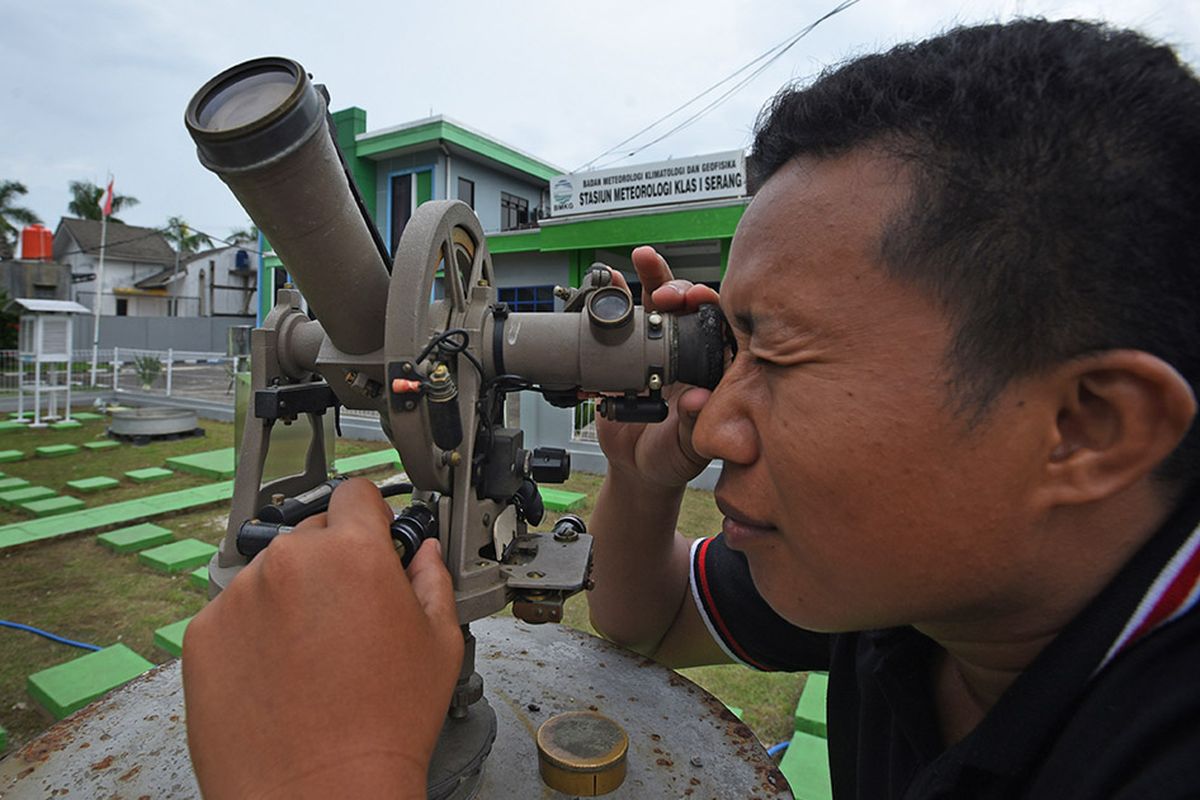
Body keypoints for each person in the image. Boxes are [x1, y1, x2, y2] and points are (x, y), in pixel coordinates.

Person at [182, 17, 1200, 799]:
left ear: (1088, 426)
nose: (714, 422)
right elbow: (648, 616)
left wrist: (334, 773)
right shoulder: (924, 586)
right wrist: (641, 473)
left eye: (783, 354)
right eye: (735, 345)